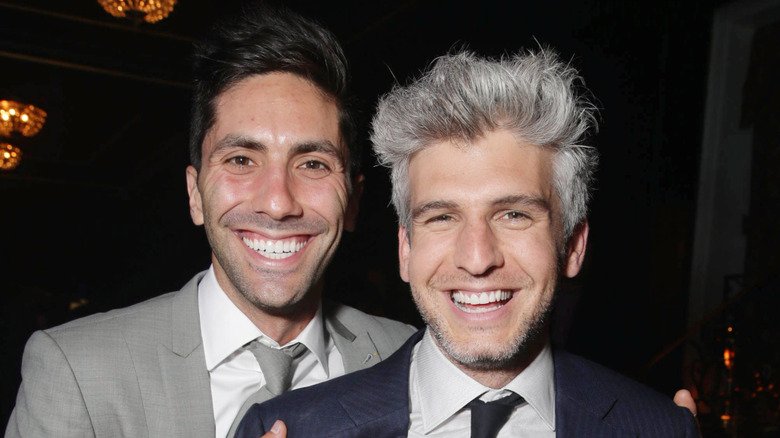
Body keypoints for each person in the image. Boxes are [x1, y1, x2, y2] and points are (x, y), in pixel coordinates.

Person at [235, 49, 699, 437]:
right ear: (406, 250)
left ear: (574, 247)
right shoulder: (289, 428)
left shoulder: (659, 428)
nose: (477, 258)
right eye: (441, 217)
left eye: (514, 215)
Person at [4, 4, 414, 438]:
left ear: (352, 201)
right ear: (195, 195)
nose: (277, 203)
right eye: (241, 159)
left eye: (312, 164)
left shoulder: (408, 355)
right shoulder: (77, 370)